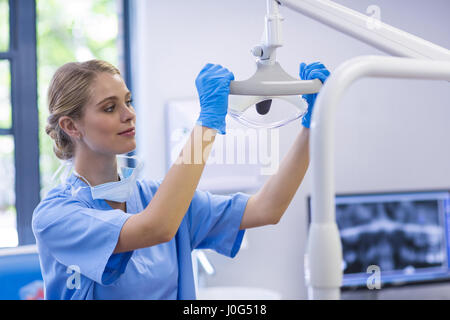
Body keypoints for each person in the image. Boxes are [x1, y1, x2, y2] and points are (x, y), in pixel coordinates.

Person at [32, 59, 330, 300]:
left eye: (128, 101)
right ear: (71, 126)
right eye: (110, 108)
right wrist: (207, 123)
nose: (129, 114)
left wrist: (312, 125)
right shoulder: (55, 217)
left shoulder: (156, 197)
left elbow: (267, 208)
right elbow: (156, 227)